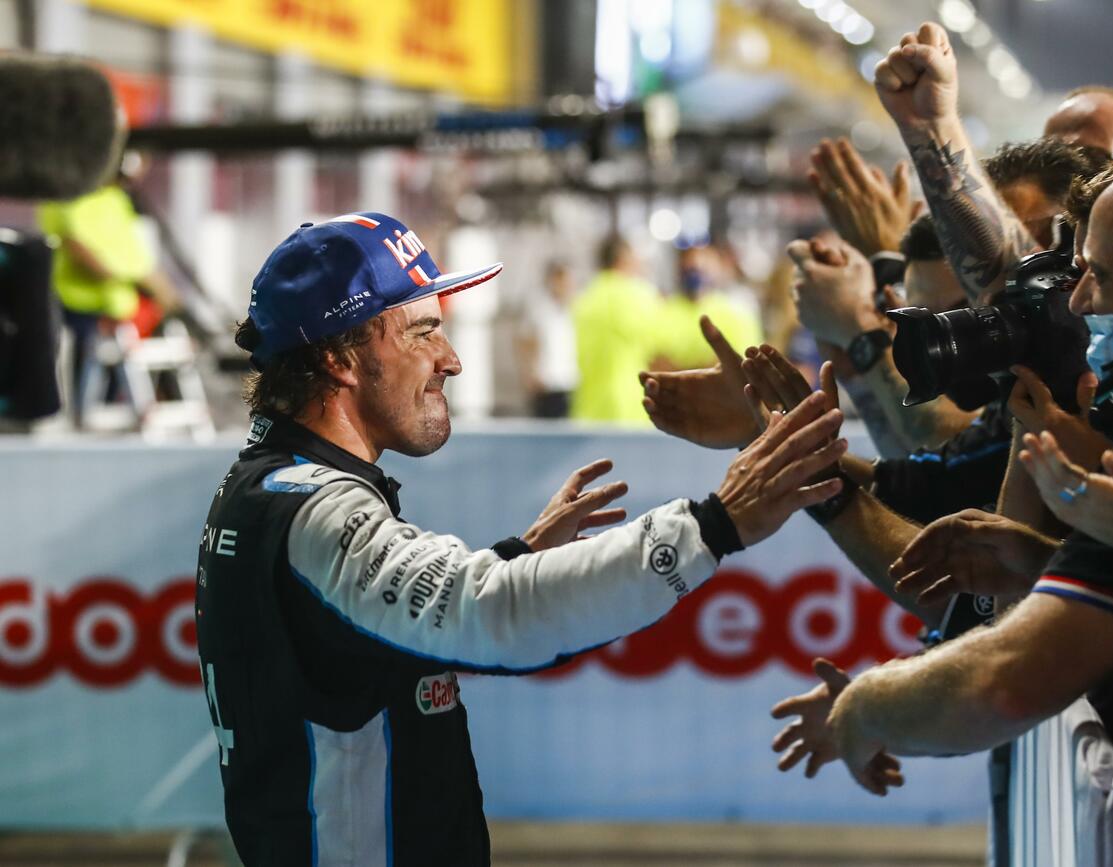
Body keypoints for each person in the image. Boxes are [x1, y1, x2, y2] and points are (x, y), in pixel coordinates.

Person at [197, 212, 847, 866]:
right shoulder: (312, 509)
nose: (451, 359)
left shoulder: (273, 487)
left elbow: (393, 636)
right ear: (338, 358)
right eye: (423, 332)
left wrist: (521, 558)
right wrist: (717, 522)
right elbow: (495, 613)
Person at [772, 152, 1113, 866]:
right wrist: (1048, 558)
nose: (1077, 303)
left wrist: (861, 707)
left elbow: (1006, 682)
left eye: (1098, 273)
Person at [38, 163, 155, 426]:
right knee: (76, 381)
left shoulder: (115, 199)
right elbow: (75, 244)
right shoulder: (67, 198)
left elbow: (134, 250)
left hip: (118, 307)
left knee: (114, 387)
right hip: (79, 306)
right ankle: (73, 420)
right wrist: (112, 273)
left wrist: (132, 276)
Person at [569, 235, 671, 425]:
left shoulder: (585, 298)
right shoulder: (638, 295)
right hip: (629, 410)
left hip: (588, 409)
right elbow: (666, 350)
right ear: (624, 258)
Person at [660, 244, 762, 369]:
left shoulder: (737, 313)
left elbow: (738, 364)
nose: (694, 270)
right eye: (689, 267)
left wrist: (680, 370)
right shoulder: (662, 310)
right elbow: (656, 362)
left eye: (702, 265)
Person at [515, 260, 578, 418]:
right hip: (546, 382)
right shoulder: (539, 308)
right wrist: (529, 373)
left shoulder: (573, 309)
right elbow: (525, 341)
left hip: (569, 381)